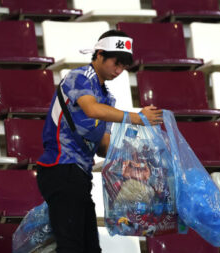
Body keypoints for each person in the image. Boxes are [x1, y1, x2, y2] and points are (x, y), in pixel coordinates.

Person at [36, 30, 162, 253]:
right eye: (117, 63)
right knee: (71, 247)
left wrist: (136, 155)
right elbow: (91, 109)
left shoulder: (106, 97)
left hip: (79, 175)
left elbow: (103, 145)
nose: (119, 71)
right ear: (100, 54)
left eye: (124, 67)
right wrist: (138, 118)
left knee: (90, 248)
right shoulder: (79, 77)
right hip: (60, 168)